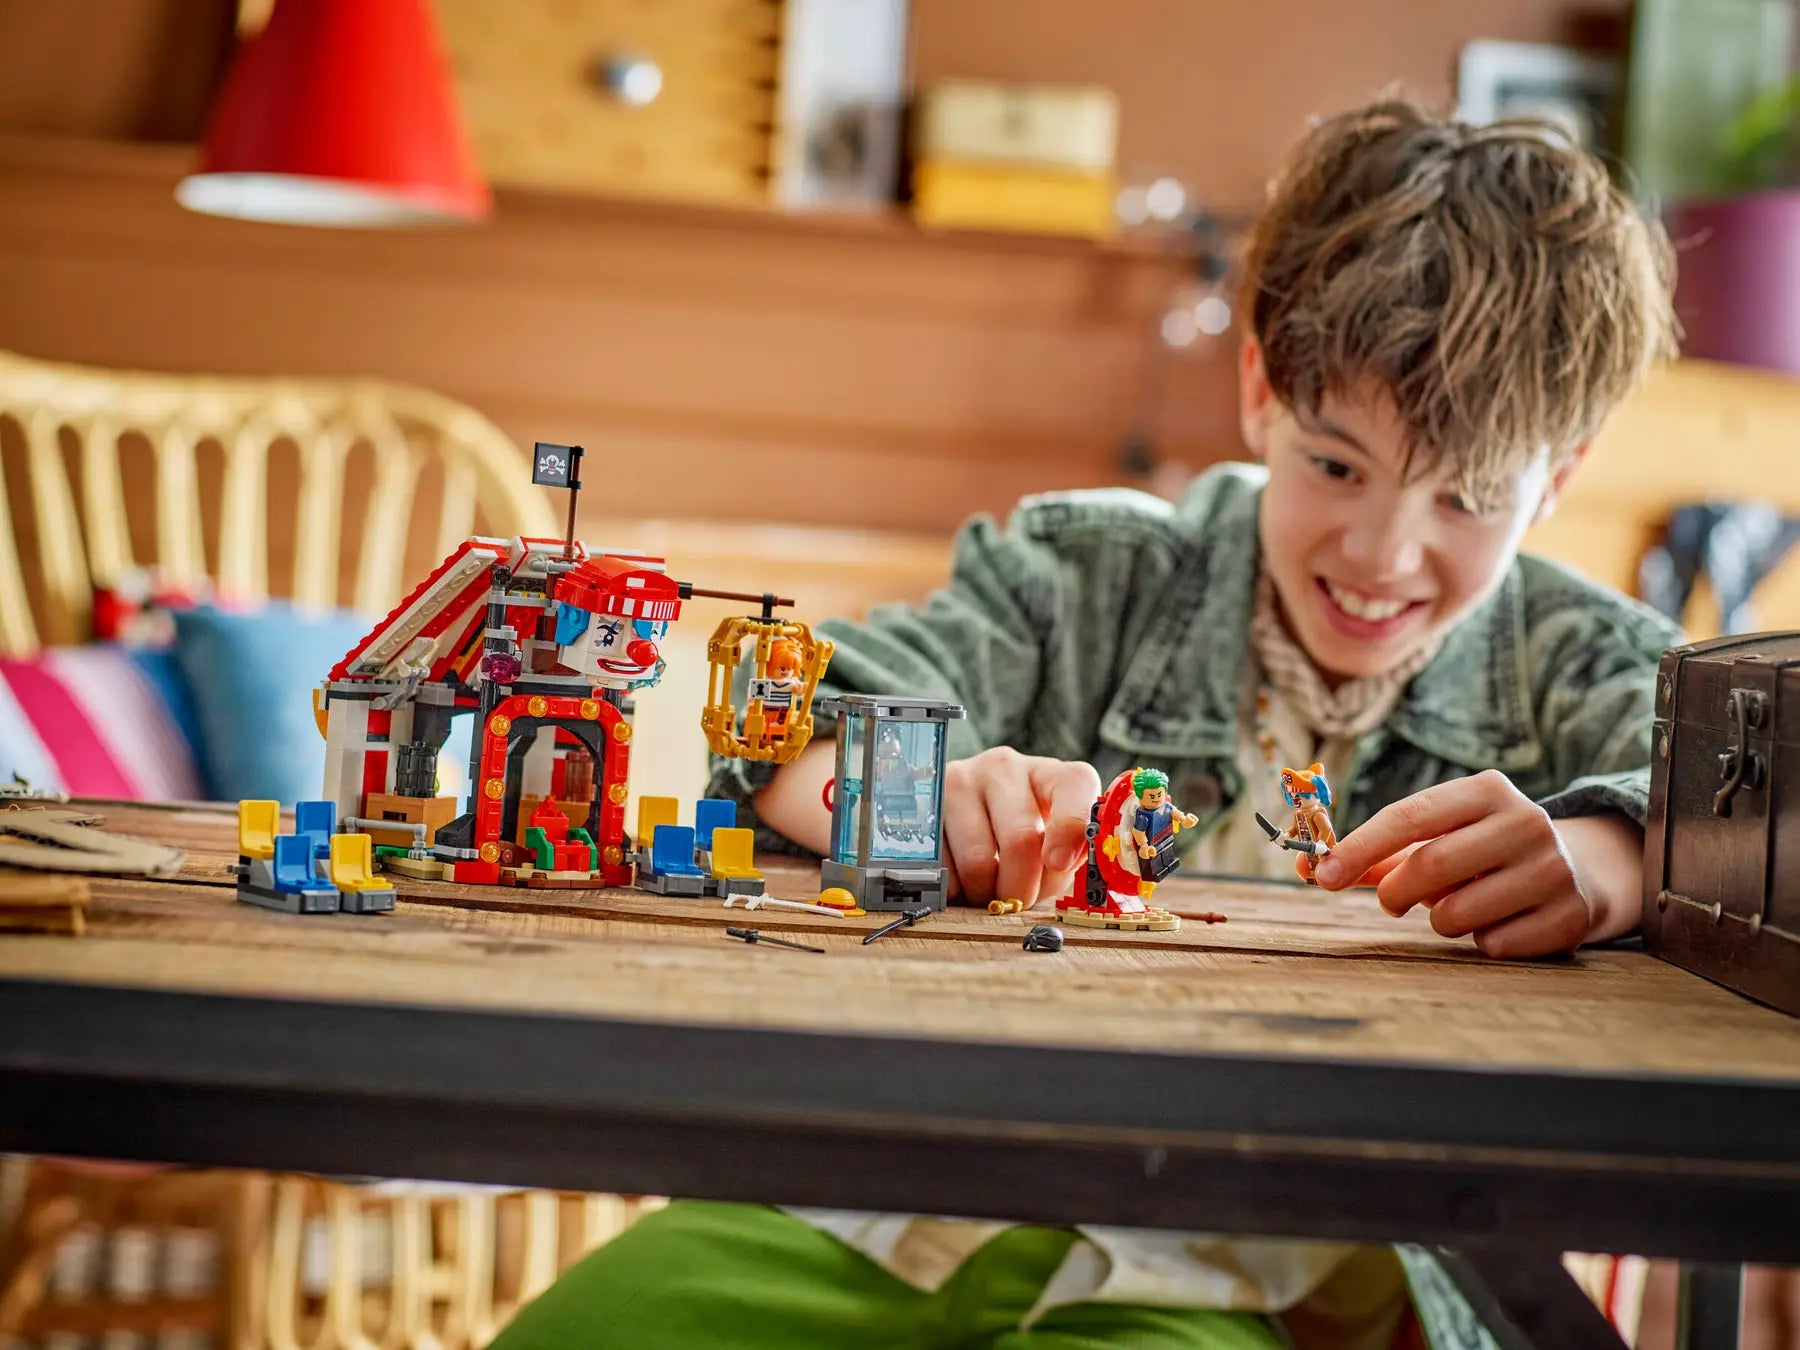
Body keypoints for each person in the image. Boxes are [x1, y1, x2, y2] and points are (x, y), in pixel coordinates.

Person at [491, 99, 1680, 1350]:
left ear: (1562, 474)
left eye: (1470, 499)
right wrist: (905, 795)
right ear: (1262, 391)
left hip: (1295, 1257)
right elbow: (803, 722)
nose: (1385, 553)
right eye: (1337, 466)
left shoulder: (1594, 663)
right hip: (936, 1178)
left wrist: (1607, 859)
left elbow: (1741, 819)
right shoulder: (1079, 575)